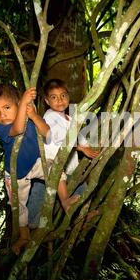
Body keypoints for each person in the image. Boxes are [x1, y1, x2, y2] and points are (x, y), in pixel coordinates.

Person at [0, 83, 50, 255]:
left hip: (35, 163)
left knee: (57, 173)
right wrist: (23, 103)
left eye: (7, 107)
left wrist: (33, 113)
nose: (1, 114)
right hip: (16, 174)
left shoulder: (29, 117)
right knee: (18, 205)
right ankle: (24, 235)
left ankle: (67, 202)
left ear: (17, 105)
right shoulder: (0, 127)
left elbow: (47, 132)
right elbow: (18, 128)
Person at [42, 79, 99, 212]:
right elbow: (61, 138)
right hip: (52, 160)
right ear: (47, 101)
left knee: (82, 188)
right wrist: (81, 148)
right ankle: (65, 201)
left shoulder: (69, 119)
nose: (59, 100)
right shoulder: (50, 116)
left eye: (63, 95)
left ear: (68, 97)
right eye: (54, 97)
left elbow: (79, 136)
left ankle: (85, 215)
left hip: (70, 165)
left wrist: (87, 146)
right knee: (58, 174)